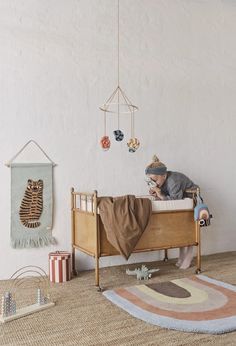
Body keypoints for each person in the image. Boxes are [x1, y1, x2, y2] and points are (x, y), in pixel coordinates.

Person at [145, 155, 199, 269]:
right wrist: (156, 193)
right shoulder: (163, 180)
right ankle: (181, 255)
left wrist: (160, 194)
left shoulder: (174, 181)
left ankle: (188, 255)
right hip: (181, 203)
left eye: (154, 180)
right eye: (150, 180)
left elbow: (175, 200)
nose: (153, 182)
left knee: (188, 230)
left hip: (189, 201)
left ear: (163, 175)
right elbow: (167, 195)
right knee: (179, 230)